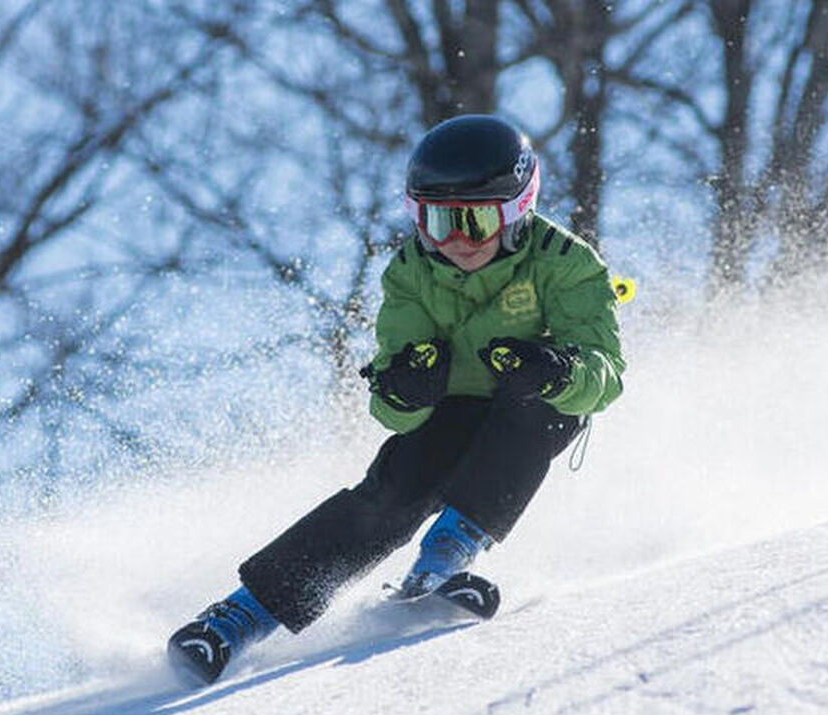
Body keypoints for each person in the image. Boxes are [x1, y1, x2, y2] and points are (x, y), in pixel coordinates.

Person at [167, 114, 625, 685]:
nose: (455, 241)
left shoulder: (566, 262)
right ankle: (238, 618)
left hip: (528, 403)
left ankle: (443, 558)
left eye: (475, 222)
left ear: (515, 213)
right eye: (436, 222)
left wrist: (557, 370)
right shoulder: (411, 271)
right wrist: (405, 387)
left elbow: (606, 375)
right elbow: (390, 406)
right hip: (451, 408)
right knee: (396, 488)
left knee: (546, 410)